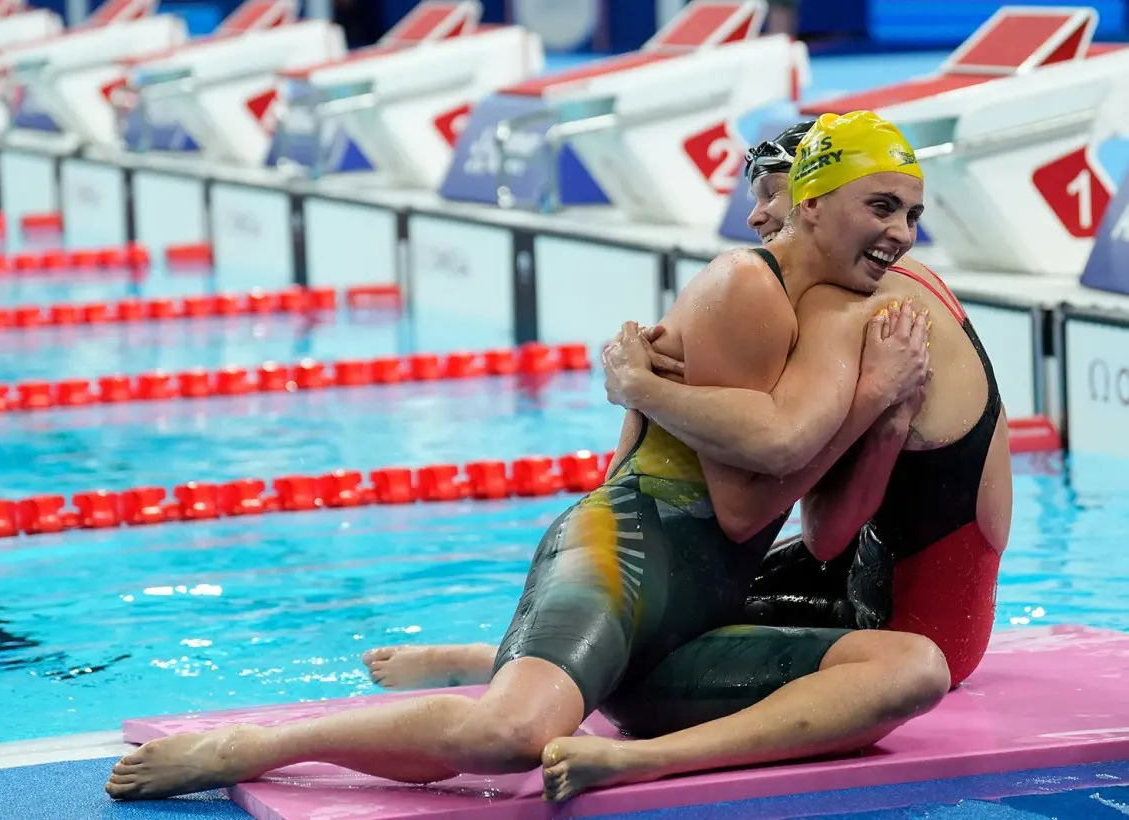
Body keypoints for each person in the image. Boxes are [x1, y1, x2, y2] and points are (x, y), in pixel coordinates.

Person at [104, 111, 940, 802]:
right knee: (510, 736)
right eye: (881, 210)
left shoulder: (836, 323)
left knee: (914, 667)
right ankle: (254, 747)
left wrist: (892, 418)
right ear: (815, 204)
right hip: (627, 560)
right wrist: (865, 400)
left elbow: (826, 537)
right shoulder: (745, 288)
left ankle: (620, 740)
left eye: (910, 215)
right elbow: (743, 510)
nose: (902, 235)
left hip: (695, 617)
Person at [365, 118, 1013, 802]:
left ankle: (522, 664)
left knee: (703, 579)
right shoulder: (895, 285)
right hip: (937, 600)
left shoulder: (842, 306)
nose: (758, 214)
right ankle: (527, 664)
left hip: (897, 610)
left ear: (813, 200)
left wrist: (643, 387)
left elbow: (794, 498)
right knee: (695, 576)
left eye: (772, 192)